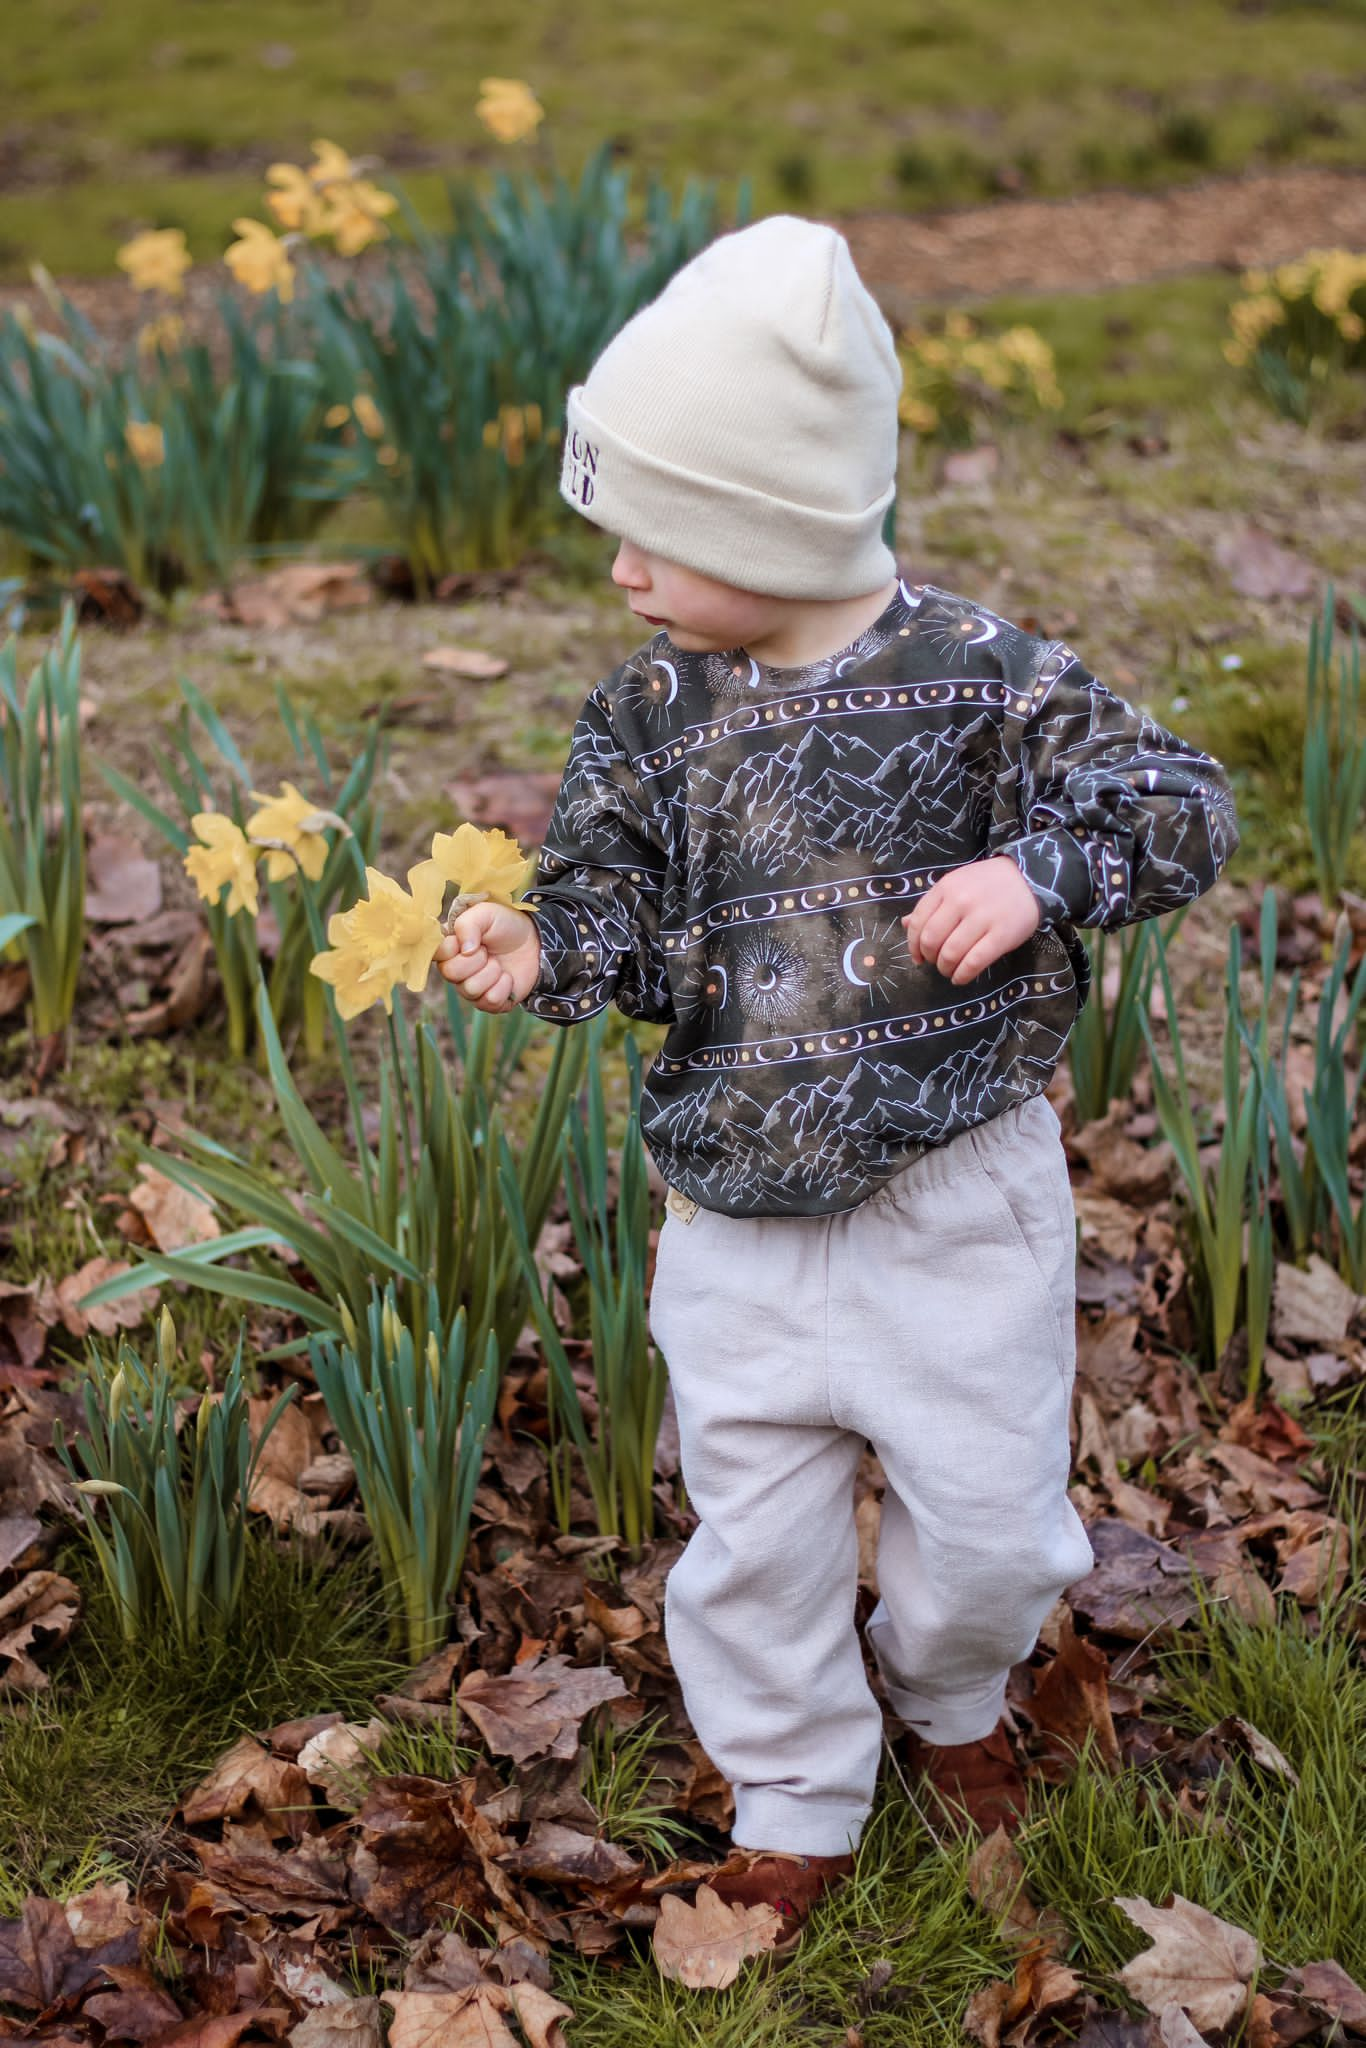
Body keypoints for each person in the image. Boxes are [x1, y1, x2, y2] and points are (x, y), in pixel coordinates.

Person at [436, 215, 1239, 1951]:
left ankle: (948, 1694)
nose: (624, 569)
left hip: (951, 1199)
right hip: (730, 1206)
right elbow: (622, 922)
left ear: (770, 520)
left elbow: (1181, 800)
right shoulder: (647, 712)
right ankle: (795, 1788)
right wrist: (543, 950)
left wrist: (1040, 875)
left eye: (658, 530)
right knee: (754, 1541)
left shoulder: (983, 680)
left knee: (996, 1539)